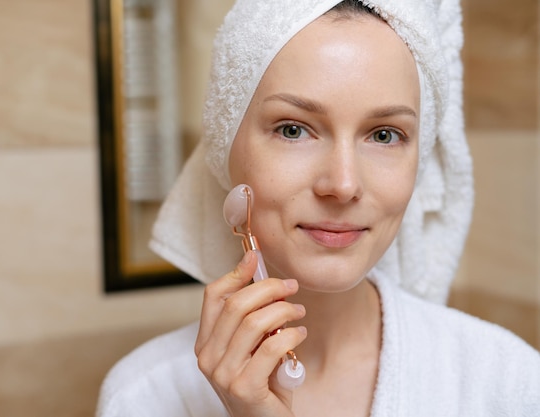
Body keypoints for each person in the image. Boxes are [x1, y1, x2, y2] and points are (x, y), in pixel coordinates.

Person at [97, 0, 540, 416]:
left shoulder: (506, 382)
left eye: (385, 135)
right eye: (293, 129)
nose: (343, 185)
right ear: (224, 146)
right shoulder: (143, 397)